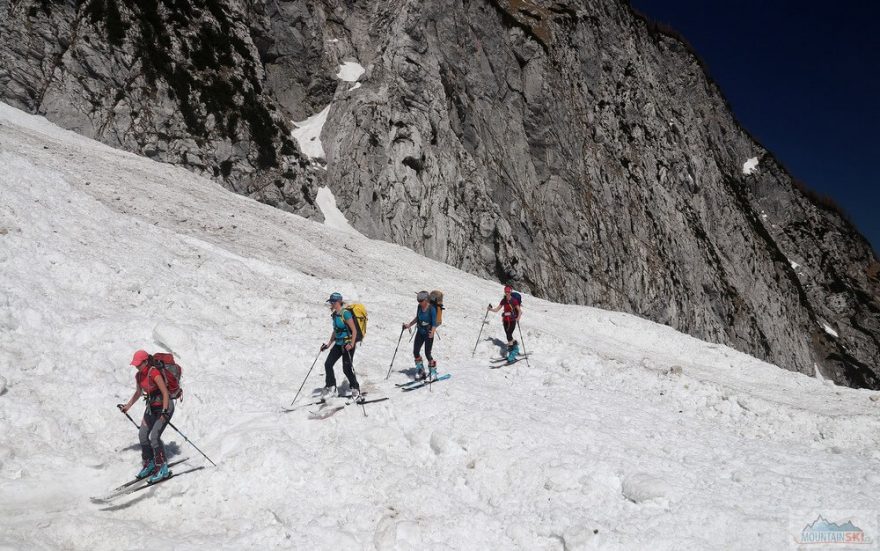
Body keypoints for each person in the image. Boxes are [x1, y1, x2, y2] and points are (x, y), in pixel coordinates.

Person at [118, 350, 174, 483]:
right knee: (142, 435)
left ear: (145, 362)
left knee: (154, 436)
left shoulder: (154, 373)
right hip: (152, 408)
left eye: (139, 364)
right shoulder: (139, 376)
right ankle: (150, 463)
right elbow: (138, 392)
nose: (137, 367)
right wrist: (128, 406)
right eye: (135, 364)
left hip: (165, 406)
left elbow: (165, 393)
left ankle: (163, 468)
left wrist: (165, 411)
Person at [320, 292, 363, 402]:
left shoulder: (346, 313)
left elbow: (354, 330)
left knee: (347, 368)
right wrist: (329, 344)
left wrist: (352, 344)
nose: (331, 304)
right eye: (331, 302)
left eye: (333, 302)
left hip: (348, 345)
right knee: (328, 364)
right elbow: (335, 331)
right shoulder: (335, 314)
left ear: (338, 302)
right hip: (338, 344)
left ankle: (356, 390)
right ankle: (332, 387)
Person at [403, 290, 438, 381]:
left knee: (427, 353)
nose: (419, 302)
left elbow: (435, 322)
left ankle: (433, 373)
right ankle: (421, 370)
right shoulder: (419, 307)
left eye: (421, 301)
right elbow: (417, 318)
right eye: (418, 301)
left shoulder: (432, 309)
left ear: (426, 300)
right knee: (415, 351)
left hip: (428, 333)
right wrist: (409, 325)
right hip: (420, 331)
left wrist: (432, 332)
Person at [488, 285, 523, 362]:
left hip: (512, 320)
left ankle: (513, 353)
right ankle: (515, 345)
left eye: (508, 291)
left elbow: (519, 311)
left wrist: (518, 318)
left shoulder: (514, 301)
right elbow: (497, 309)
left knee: (509, 334)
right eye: (505, 291)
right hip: (505, 321)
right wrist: (490, 309)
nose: (507, 293)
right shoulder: (503, 300)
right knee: (508, 336)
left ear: (510, 292)